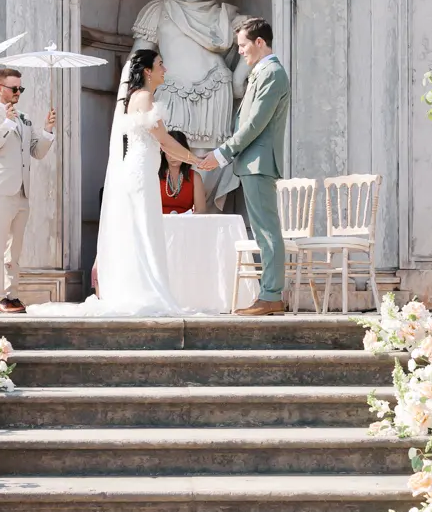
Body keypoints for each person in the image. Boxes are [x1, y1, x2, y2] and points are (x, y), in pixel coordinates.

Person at [30, 50, 209, 317]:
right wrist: (196, 159)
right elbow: (164, 140)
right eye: (160, 64)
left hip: (140, 172)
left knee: (138, 232)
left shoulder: (135, 98)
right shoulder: (145, 97)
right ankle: (142, 290)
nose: (165, 69)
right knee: (143, 232)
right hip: (139, 175)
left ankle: (136, 287)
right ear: (147, 70)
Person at [199, 17, 289, 316]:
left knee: (267, 230)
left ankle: (272, 295)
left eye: (243, 45)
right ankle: (267, 294)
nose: (240, 52)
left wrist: (222, 153)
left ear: (259, 42)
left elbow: (255, 124)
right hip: (250, 162)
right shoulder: (261, 73)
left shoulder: (273, 73)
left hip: (259, 162)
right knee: (262, 230)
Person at [0, 67, 55, 313]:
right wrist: (7, 123)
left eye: (21, 88)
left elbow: (37, 152)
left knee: (15, 249)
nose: (18, 91)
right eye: (14, 88)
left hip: (22, 193)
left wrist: (47, 130)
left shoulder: (24, 117)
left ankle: (12, 294)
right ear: (0, 88)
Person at [159, 131, 202, 214]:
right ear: (164, 153)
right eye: (169, 152)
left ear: (185, 152)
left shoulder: (195, 177)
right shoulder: (155, 176)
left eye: (177, 152)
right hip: (160, 223)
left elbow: (201, 210)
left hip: (186, 224)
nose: (173, 156)